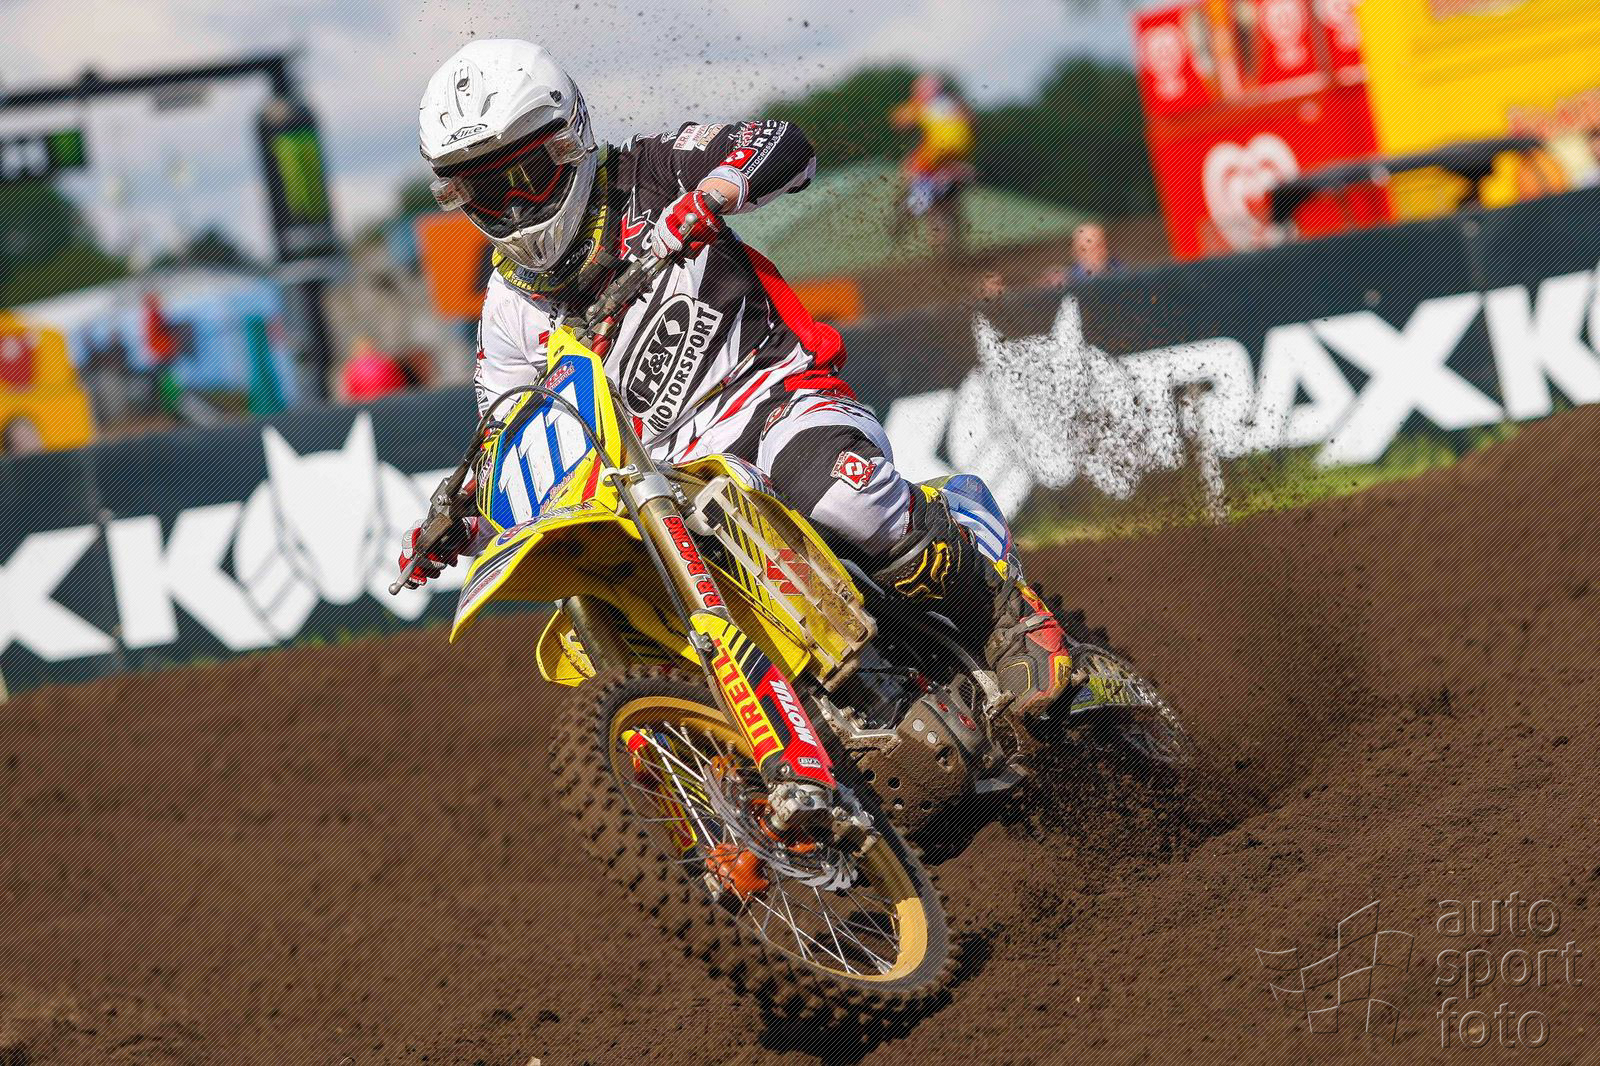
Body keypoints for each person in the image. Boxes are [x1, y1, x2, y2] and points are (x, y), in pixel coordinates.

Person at [400, 40, 1073, 783]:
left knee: (844, 500)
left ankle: (1003, 614)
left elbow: (781, 142)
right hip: (661, 484)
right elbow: (505, 427)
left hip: (772, 403)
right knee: (615, 623)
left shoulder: (652, 171)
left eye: (527, 176)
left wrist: (714, 193)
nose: (516, 206)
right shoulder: (507, 306)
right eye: (486, 193)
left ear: (569, 142)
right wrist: (464, 514)